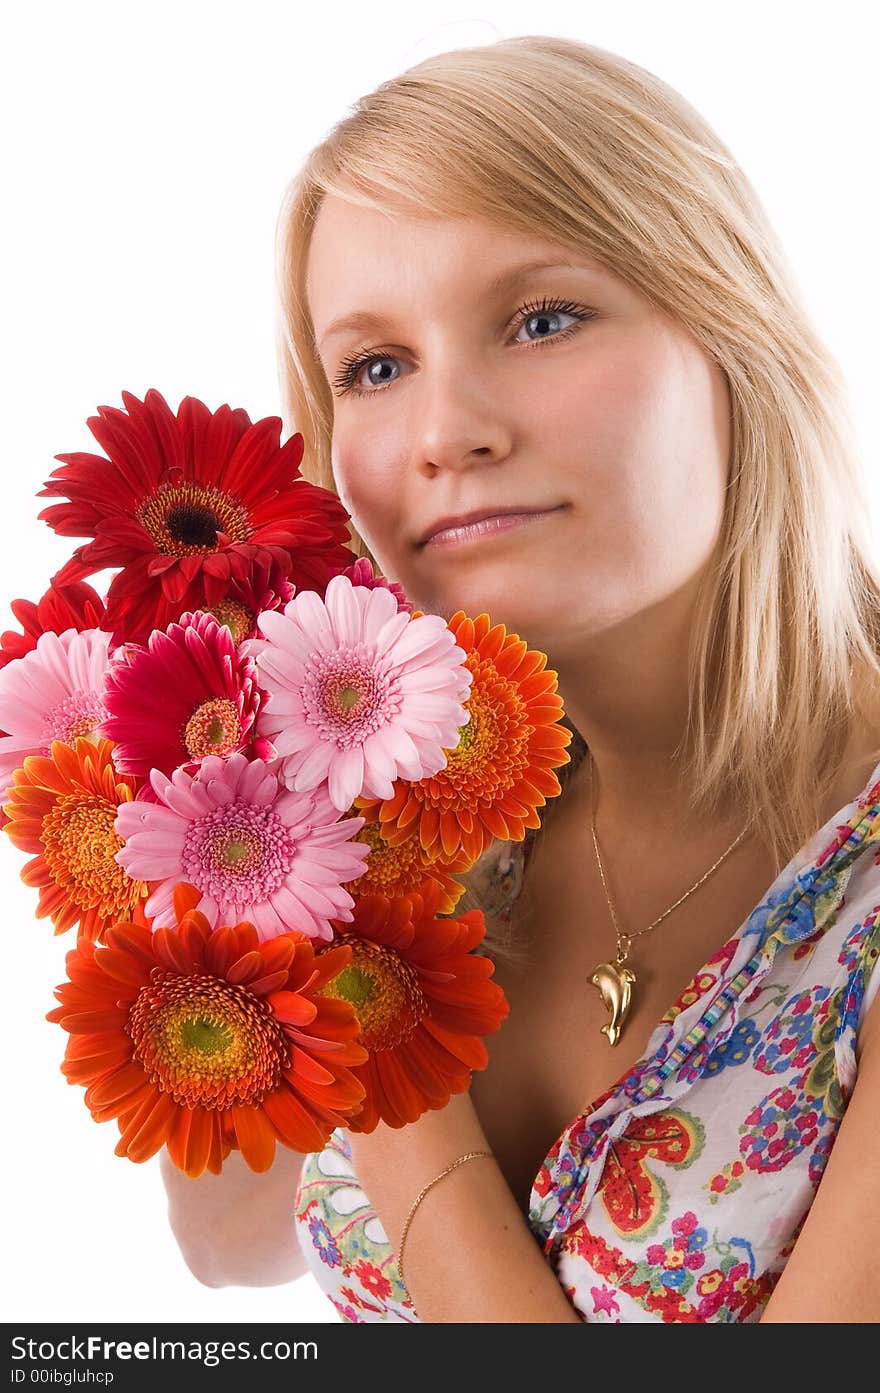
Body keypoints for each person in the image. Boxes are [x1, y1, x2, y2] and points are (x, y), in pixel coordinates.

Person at [161, 34, 880, 1322]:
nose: (447, 434)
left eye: (543, 319)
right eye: (376, 367)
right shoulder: (420, 814)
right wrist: (223, 841)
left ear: (735, 333)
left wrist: (389, 1063)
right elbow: (230, 1238)